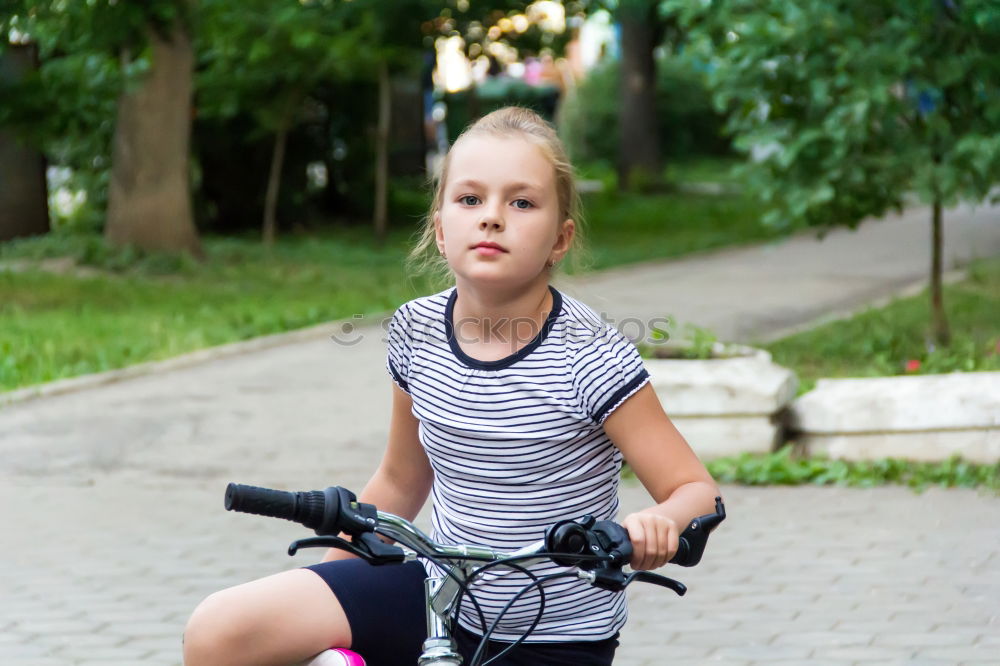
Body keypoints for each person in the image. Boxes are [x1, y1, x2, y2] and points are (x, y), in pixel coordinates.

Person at [183, 106, 721, 666]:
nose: (492, 218)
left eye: (521, 202)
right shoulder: (417, 329)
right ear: (441, 230)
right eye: (470, 200)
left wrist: (656, 525)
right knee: (222, 631)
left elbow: (695, 490)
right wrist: (324, 590)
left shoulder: (591, 355)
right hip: (439, 599)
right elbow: (400, 479)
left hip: (553, 636)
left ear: (560, 240)